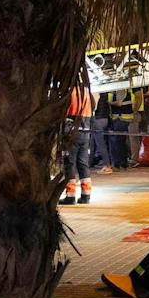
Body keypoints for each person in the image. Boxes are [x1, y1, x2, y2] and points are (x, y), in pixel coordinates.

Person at [61, 77, 95, 205]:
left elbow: (63, 111)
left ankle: (70, 196)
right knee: (83, 163)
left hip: (72, 133)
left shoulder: (70, 92)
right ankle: (86, 195)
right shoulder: (87, 93)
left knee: (70, 163)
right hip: (85, 132)